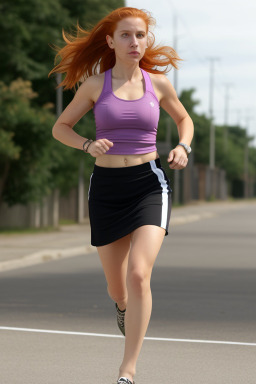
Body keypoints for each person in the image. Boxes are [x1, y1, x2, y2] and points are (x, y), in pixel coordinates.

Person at [49, 6, 194, 384]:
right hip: (107, 189)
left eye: (141, 35)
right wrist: (86, 144)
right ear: (111, 41)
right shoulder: (96, 85)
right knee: (119, 288)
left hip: (149, 183)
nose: (135, 42)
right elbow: (61, 127)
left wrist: (183, 146)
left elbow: (183, 118)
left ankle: (127, 371)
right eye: (126, 35)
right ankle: (123, 307)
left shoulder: (158, 83)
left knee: (138, 274)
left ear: (147, 40)